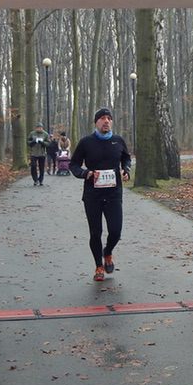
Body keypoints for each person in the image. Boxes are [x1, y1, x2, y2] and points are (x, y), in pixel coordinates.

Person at [69, 108, 132, 282]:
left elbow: (126, 158)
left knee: (116, 231)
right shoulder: (86, 142)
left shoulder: (118, 141)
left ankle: (108, 252)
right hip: (93, 195)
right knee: (95, 233)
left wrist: (126, 170)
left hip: (113, 194)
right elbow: (73, 165)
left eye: (109, 118)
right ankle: (98, 266)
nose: (106, 121)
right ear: (96, 122)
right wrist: (85, 173)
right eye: (102, 118)